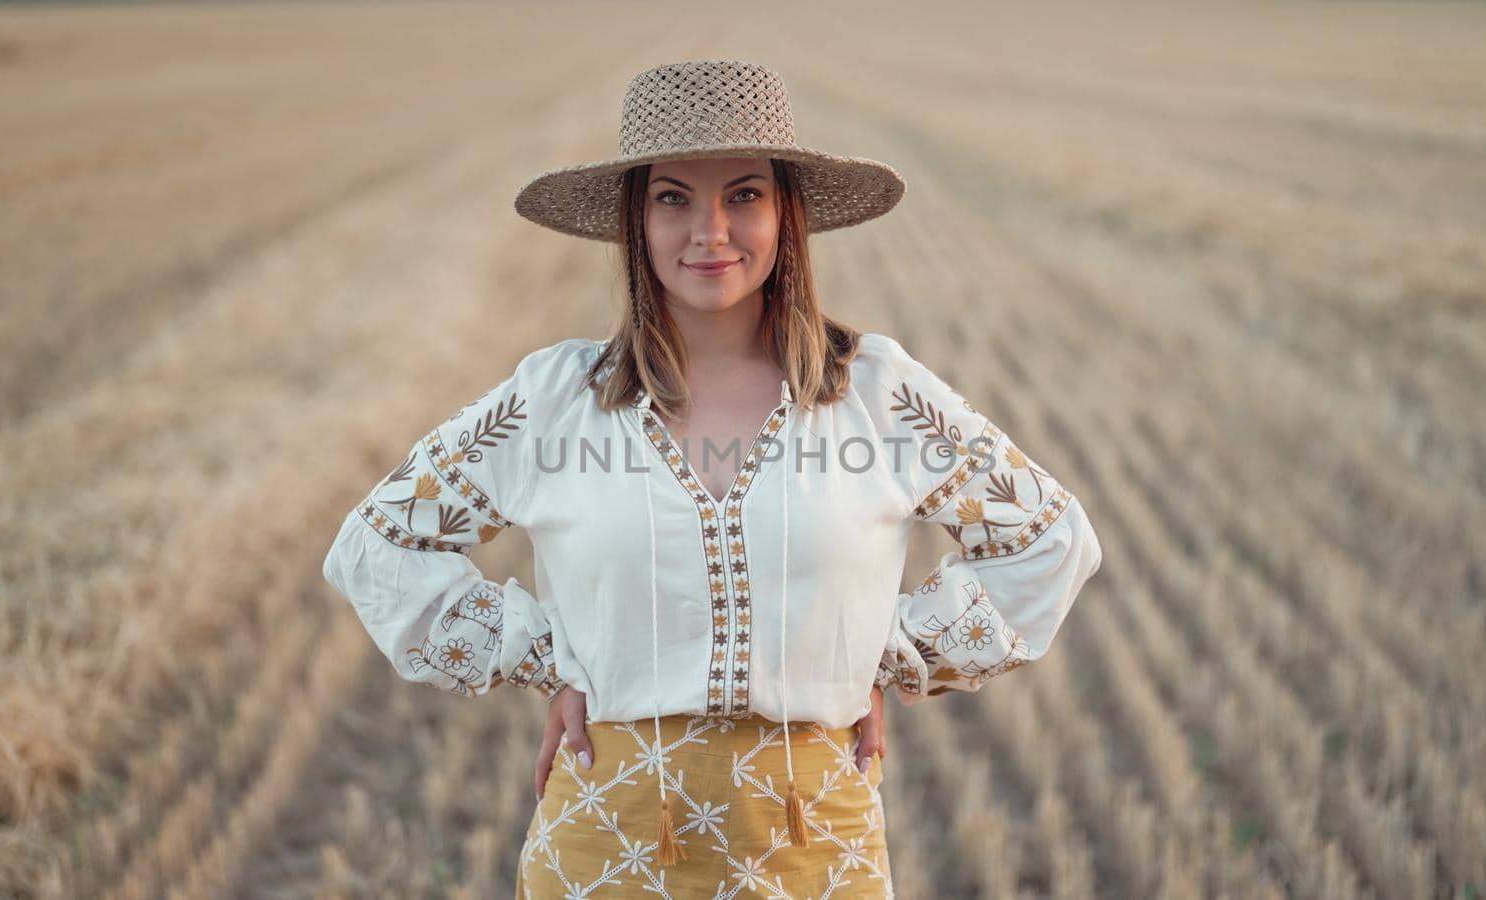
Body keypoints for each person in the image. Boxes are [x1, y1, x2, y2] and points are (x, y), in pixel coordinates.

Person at [322, 58, 1104, 899]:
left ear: (785, 214)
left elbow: (1048, 542)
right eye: (672, 198)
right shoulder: (556, 402)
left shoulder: (877, 394)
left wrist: (878, 657)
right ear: (634, 219)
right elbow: (378, 545)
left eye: (743, 195)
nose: (711, 231)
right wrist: (557, 660)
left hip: (817, 852)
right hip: (604, 851)